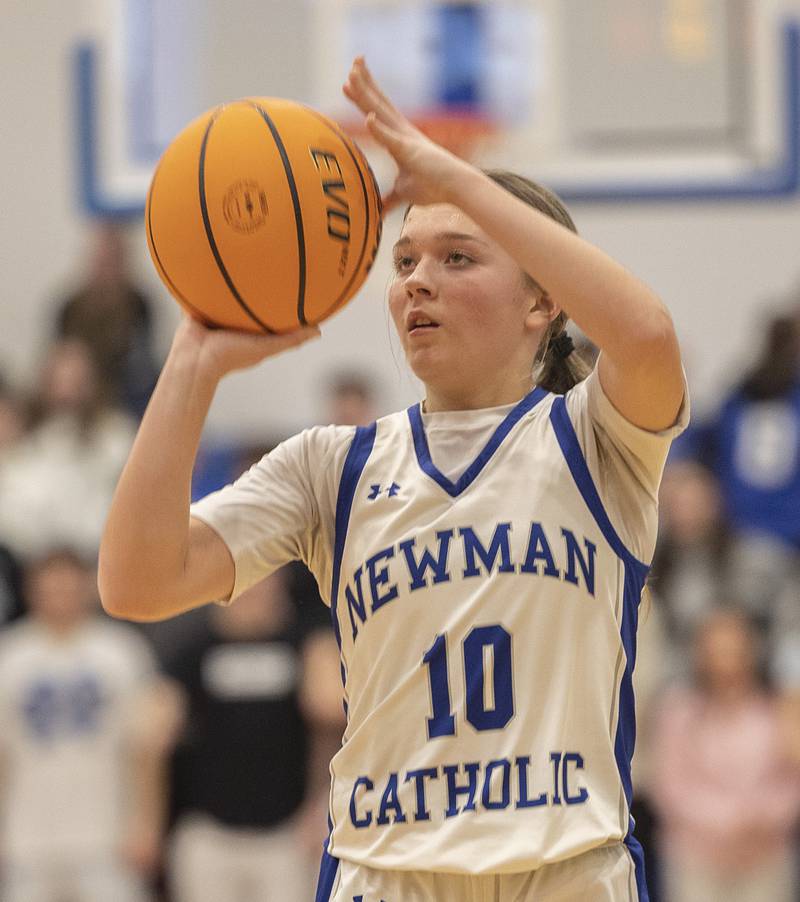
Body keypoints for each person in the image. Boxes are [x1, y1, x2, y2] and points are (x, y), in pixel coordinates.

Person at [99, 58, 687, 901]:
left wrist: (452, 175)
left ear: (542, 301)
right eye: (405, 259)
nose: (417, 280)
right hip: (389, 876)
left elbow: (650, 336)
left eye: (457, 257)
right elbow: (135, 580)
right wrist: (192, 363)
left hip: (566, 873)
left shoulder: (597, 438)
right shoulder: (333, 466)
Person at [0, 548, 171, 902]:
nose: (61, 598)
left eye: (69, 588)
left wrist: (147, 823)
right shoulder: (11, 655)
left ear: (88, 588)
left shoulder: (121, 651)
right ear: (32, 591)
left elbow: (146, 747)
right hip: (27, 836)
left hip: (107, 834)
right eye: (51, 589)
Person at [649, 609, 800, 902]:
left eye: (735, 650)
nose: (726, 662)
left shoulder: (776, 709)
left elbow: (793, 777)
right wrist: (728, 820)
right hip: (696, 860)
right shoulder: (678, 711)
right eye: (718, 651)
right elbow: (669, 786)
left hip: (765, 858)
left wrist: (764, 816)